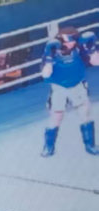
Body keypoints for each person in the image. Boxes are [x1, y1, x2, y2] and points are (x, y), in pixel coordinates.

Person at [41, 27, 99, 156]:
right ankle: (48, 147)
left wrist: (92, 48)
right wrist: (49, 58)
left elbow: (96, 62)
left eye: (73, 41)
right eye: (68, 42)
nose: (71, 44)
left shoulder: (79, 49)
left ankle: (90, 145)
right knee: (56, 117)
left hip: (78, 85)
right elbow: (45, 74)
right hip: (59, 88)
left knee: (85, 114)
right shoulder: (52, 51)